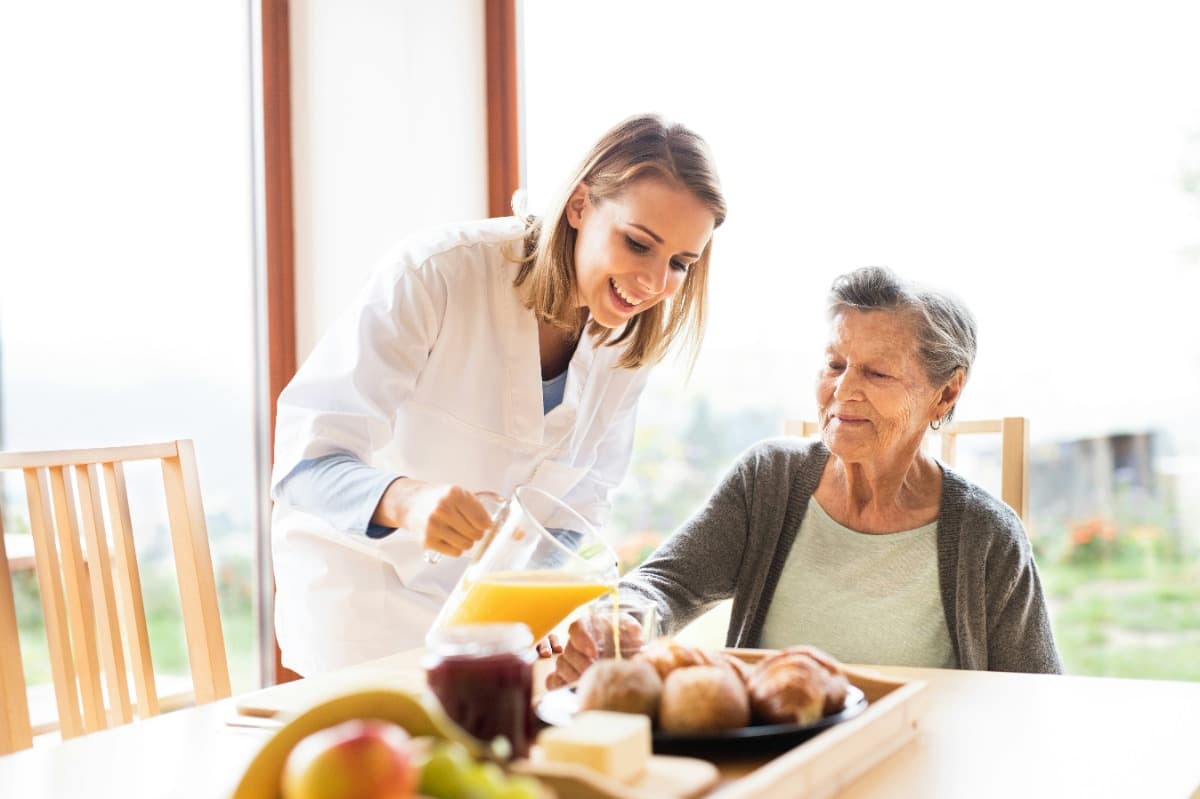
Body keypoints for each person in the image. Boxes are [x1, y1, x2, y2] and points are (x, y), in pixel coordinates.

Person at [270, 114, 726, 676]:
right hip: (360, 604)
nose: (654, 284)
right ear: (580, 205)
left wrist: (545, 599)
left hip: (486, 626)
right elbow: (302, 464)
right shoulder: (436, 274)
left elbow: (581, 501)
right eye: (638, 244)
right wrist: (406, 500)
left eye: (681, 264)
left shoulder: (626, 340)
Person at [550, 266, 1061, 687]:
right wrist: (621, 621)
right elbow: (666, 583)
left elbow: (1039, 697)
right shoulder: (769, 479)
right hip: (779, 764)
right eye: (835, 364)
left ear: (946, 393)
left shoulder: (987, 536)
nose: (842, 392)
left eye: (876, 373)